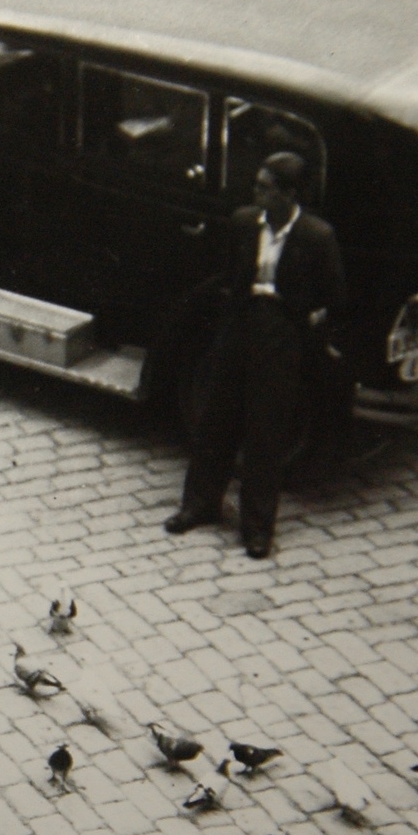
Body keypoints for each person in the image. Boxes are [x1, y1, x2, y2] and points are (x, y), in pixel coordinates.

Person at [166, 151, 345, 559]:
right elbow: (230, 275)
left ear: (289, 194)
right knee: (216, 419)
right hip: (240, 326)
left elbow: (334, 296)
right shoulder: (245, 223)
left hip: (282, 334)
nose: (256, 193)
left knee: (266, 431)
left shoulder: (317, 237)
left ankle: (258, 527)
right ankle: (199, 504)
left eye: (265, 188)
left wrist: (304, 324)